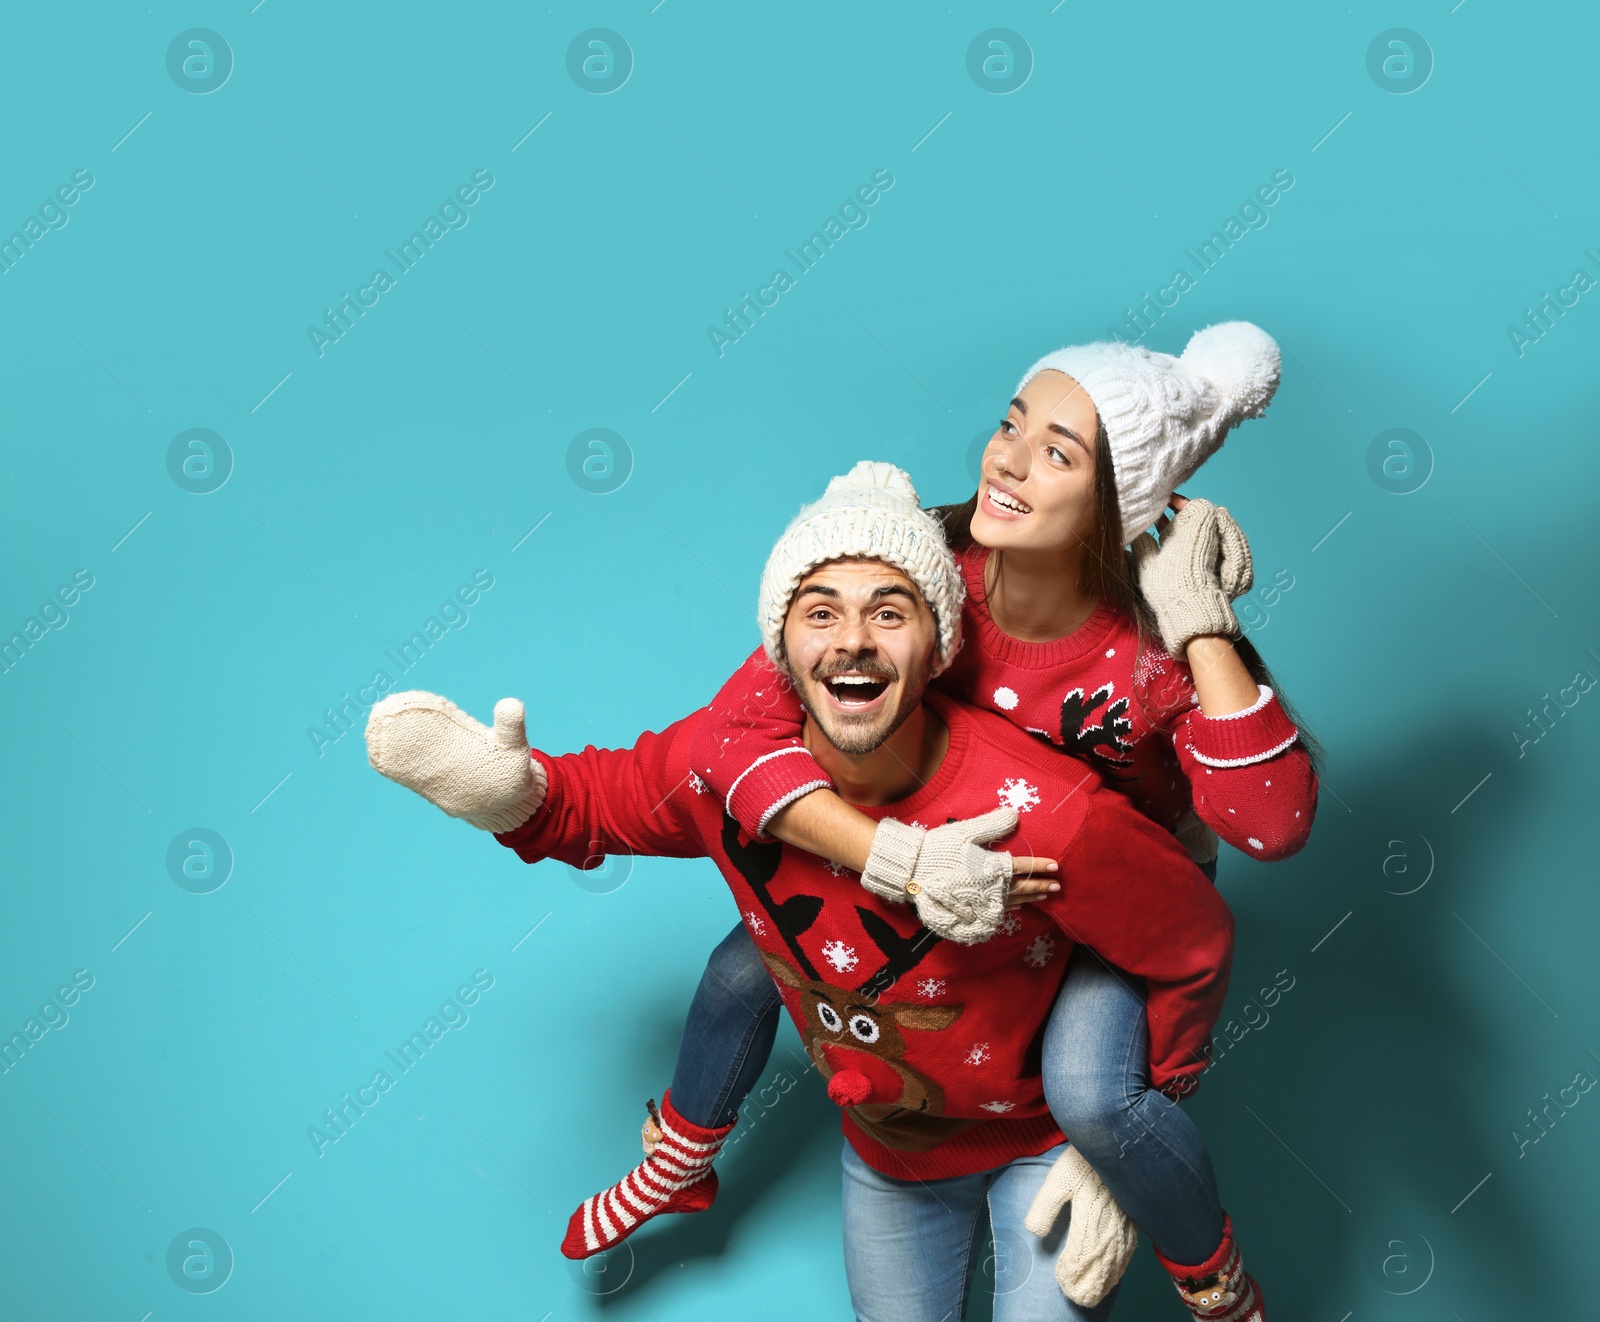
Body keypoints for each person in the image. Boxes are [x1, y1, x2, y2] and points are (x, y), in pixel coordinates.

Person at [365, 462, 1238, 1321]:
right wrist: (514, 797)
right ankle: (684, 1152)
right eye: (820, 613)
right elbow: (597, 805)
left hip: (1046, 1145)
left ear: (937, 647)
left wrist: (1123, 1137)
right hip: (891, 1156)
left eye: (888, 613)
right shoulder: (719, 763)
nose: (852, 640)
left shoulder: (1042, 811)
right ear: (781, 647)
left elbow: (1191, 938)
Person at [569, 323, 1317, 1321]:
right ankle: (683, 1150)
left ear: (1116, 498)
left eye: (1057, 450)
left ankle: (1211, 1279)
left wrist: (1201, 622)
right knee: (752, 957)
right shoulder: (920, 565)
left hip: (1109, 905)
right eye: (1012, 423)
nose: (1007, 456)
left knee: (1094, 1092)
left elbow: (1270, 825)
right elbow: (742, 722)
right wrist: (884, 849)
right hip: (934, 867)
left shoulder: (1153, 647)